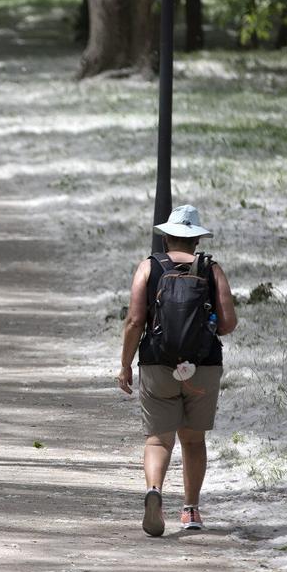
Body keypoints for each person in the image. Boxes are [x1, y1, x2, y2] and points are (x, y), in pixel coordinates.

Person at [117, 205, 237, 537]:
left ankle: (154, 489)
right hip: (202, 366)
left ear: (166, 236)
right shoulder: (212, 269)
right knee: (193, 440)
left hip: (157, 363)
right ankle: (191, 510)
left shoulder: (148, 267)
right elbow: (228, 324)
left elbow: (134, 321)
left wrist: (125, 364)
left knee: (158, 440)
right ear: (197, 239)